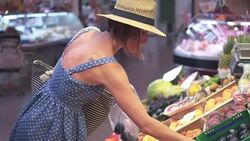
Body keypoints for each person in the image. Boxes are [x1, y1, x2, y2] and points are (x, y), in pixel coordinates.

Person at [9, 0, 195, 141]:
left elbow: (75, 76)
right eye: (144, 32)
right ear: (129, 29)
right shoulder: (109, 68)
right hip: (54, 128)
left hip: (36, 113)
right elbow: (146, 124)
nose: (146, 39)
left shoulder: (87, 32)